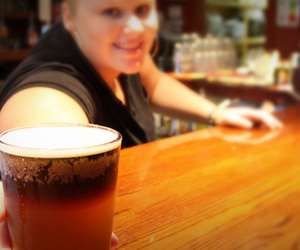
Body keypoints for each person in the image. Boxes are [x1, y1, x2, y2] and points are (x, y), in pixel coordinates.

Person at [0, 0, 282, 248]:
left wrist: (216, 113)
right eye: (111, 11)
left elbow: (154, 82)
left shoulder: (121, 53)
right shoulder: (53, 80)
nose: (136, 27)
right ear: (70, 17)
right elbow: (42, 116)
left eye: (142, 9)